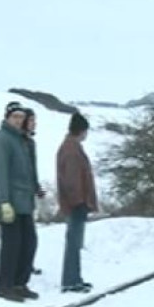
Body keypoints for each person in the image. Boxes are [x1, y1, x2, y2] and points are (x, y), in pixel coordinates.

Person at [0, 101, 40, 302]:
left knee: (28, 243)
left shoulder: (22, 140)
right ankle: (5, 286)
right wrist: (3, 202)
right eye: (15, 117)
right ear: (7, 117)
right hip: (11, 202)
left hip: (25, 201)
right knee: (11, 245)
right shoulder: (1, 140)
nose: (19, 121)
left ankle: (20, 283)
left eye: (21, 117)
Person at [56, 112, 97, 293]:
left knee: (74, 242)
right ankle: (70, 281)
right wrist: (79, 202)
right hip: (76, 204)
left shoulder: (70, 147)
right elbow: (72, 181)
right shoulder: (72, 150)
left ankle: (74, 279)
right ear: (82, 131)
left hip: (75, 202)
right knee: (73, 243)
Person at [22, 108, 46, 276]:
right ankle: (24, 266)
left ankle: (27, 264)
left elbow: (32, 169)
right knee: (27, 236)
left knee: (30, 236)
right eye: (31, 121)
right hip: (19, 195)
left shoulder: (30, 142)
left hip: (28, 193)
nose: (34, 124)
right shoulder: (20, 142)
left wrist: (37, 187)